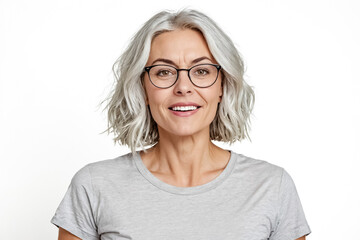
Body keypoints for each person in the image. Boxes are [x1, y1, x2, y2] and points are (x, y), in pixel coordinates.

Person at [51, 9, 311, 240]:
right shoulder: (94, 185)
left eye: (201, 71)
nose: (183, 87)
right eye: (164, 72)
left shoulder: (271, 186)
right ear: (142, 88)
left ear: (223, 86)